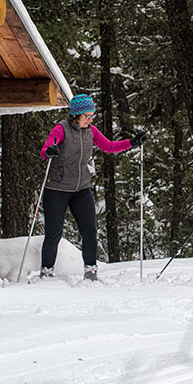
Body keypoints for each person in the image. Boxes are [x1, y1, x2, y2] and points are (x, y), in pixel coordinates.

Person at [39, 94, 146, 281]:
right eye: (87, 115)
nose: (90, 119)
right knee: (54, 232)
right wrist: (49, 151)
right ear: (76, 115)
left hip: (81, 188)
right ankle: (47, 270)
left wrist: (132, 142)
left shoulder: (91, 131)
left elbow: (109, 146)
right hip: (57, 189)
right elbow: (46, 149)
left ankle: (91, 269)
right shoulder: (61, 129)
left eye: (92, 115)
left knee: (89, 230)